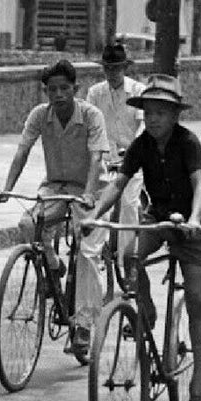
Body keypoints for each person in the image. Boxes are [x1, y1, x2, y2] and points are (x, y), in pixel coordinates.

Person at [86, 75, 201, 401]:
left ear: (175, 116)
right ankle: (147, 310)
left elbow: (200, 183)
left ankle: (198, 390)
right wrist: (94, 216)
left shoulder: (188, 143)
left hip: (193, 227)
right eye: (150, 113)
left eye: (162, 113)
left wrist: (194, 218)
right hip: (159, 219)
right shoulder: (142, 144)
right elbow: (119, 183)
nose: (154, 119)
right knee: (129, 255)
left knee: (194, 296)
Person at [0, 58, 109, 357]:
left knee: (87, 253)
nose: (58, 95)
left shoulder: (92, 116)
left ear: (75, 89)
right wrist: (7, 188)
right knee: (28, 225)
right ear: (45, 91)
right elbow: (22, 150)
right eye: (52, 89)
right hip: (55, 186)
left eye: (64, 88)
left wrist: (90, 194)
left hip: (90, 189)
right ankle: (53, 269)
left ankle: (83, 325)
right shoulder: (39, 116)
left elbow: (96, 159)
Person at [85, 42, 145, 256]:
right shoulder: (95, 93)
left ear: (125, 68)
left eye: (116, 68)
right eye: (108, 68)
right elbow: (89, 123)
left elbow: (142, 125)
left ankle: (127, 258)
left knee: (129, 205)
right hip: (105, 158)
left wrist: (134, 151)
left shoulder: (138, 91)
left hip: (132, 158)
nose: (112, 73)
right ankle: (97, 252)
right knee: (100, 207)